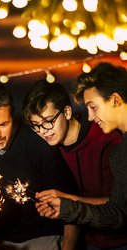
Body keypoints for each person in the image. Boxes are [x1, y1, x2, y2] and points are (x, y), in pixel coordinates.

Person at [0, 84, 79, 250]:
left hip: (44, 238)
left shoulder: (40, 142)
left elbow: (70, 204)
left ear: (13, 116)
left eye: (3, 124)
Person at [22, 80, 127, 249]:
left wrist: (64, 199)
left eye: (48, 121)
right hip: (88, 240)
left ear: (68, 111)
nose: (43, 131)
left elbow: (116, 205)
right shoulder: (52, 147)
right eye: (36, 126)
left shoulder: (107, 140)